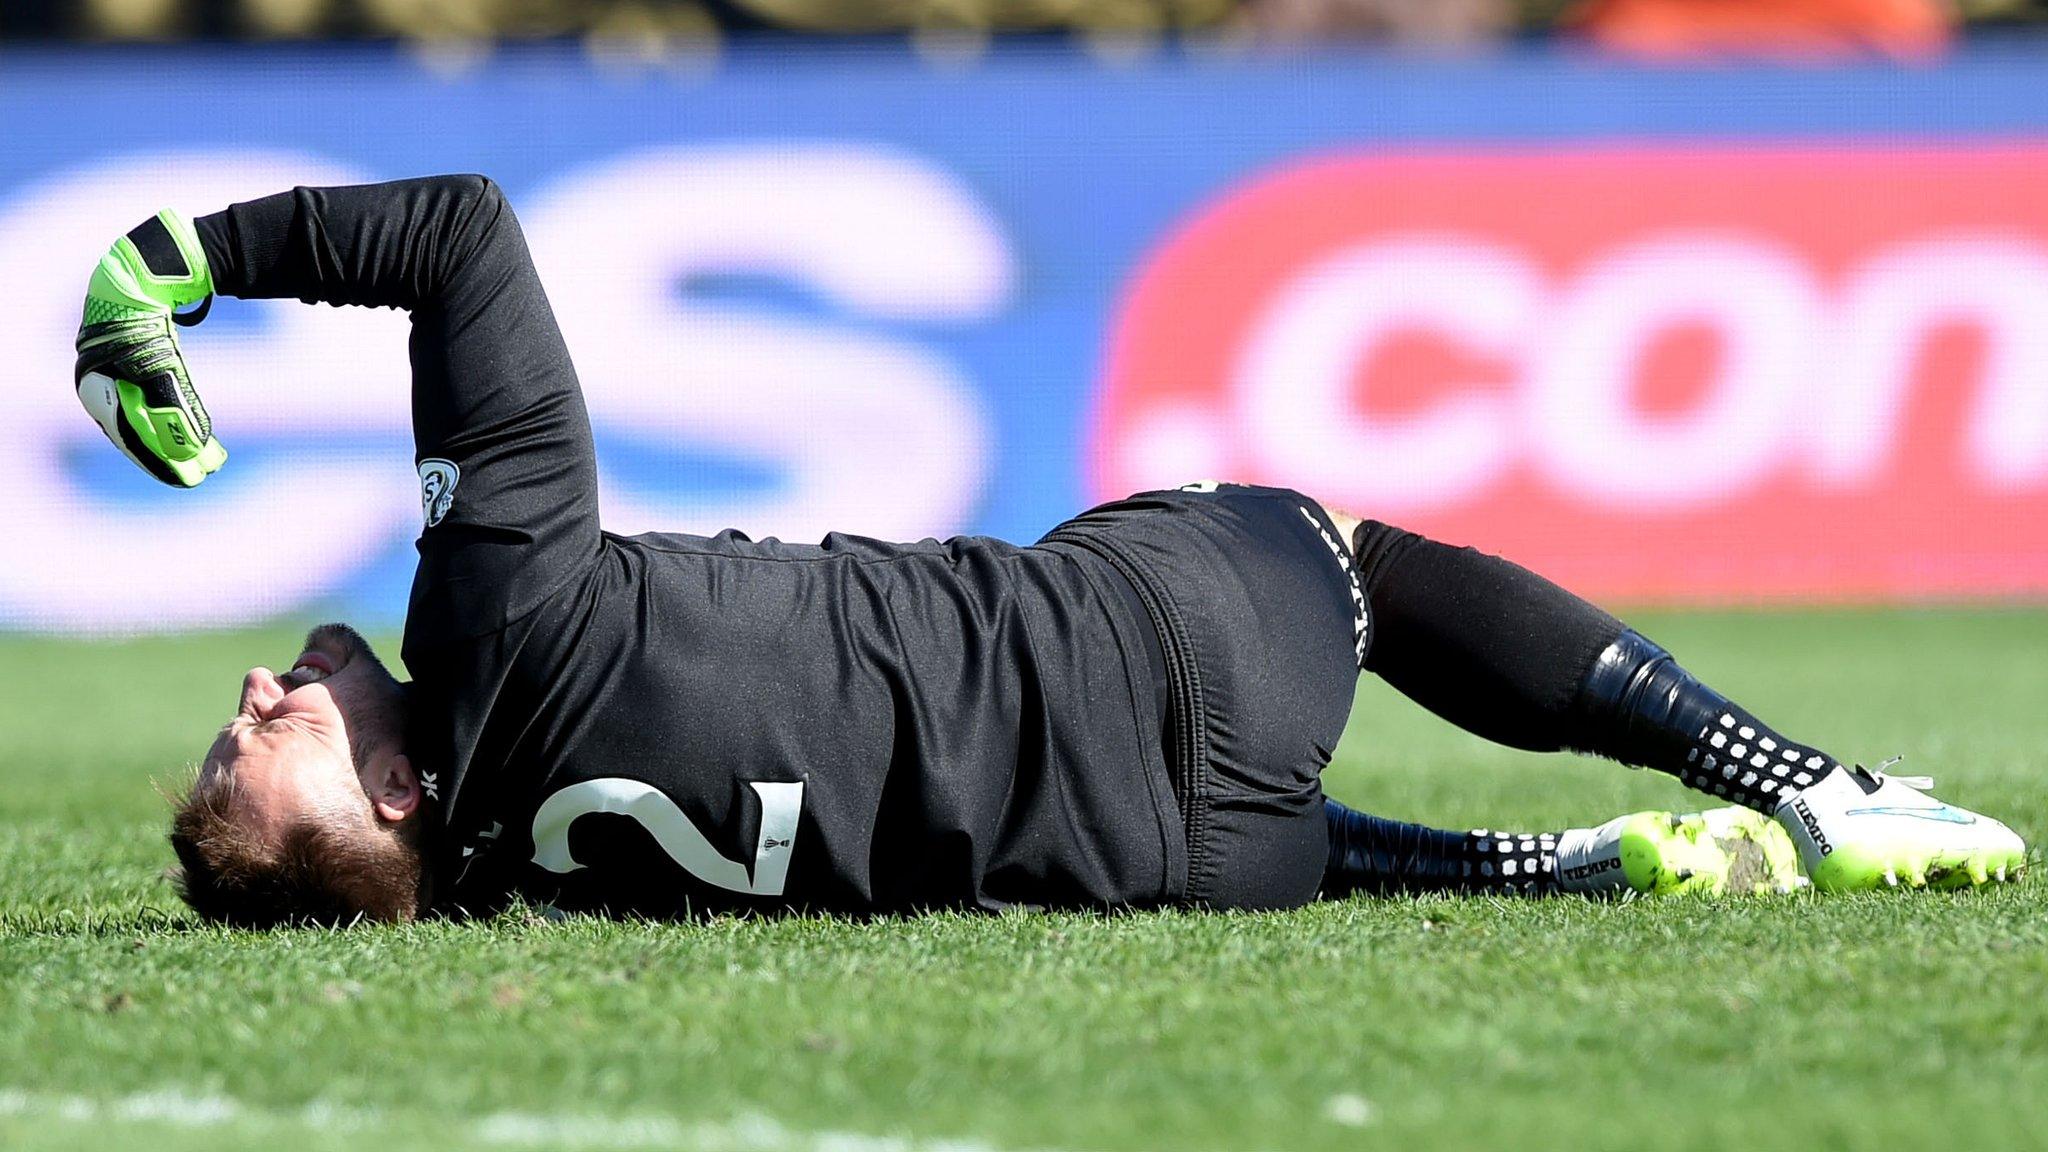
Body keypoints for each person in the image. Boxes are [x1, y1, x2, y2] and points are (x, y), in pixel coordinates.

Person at [72, 176, 2025, 926]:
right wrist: (176, 268)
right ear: (404, 787)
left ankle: (1534, 868)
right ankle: (1803, 784)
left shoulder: (520, 892)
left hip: (1203, 871)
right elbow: (459, 238)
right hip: (1199, 652)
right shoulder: (501, 619)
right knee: (1324, 539)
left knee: (1012, 800)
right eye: (278, 738)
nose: (258, 690)